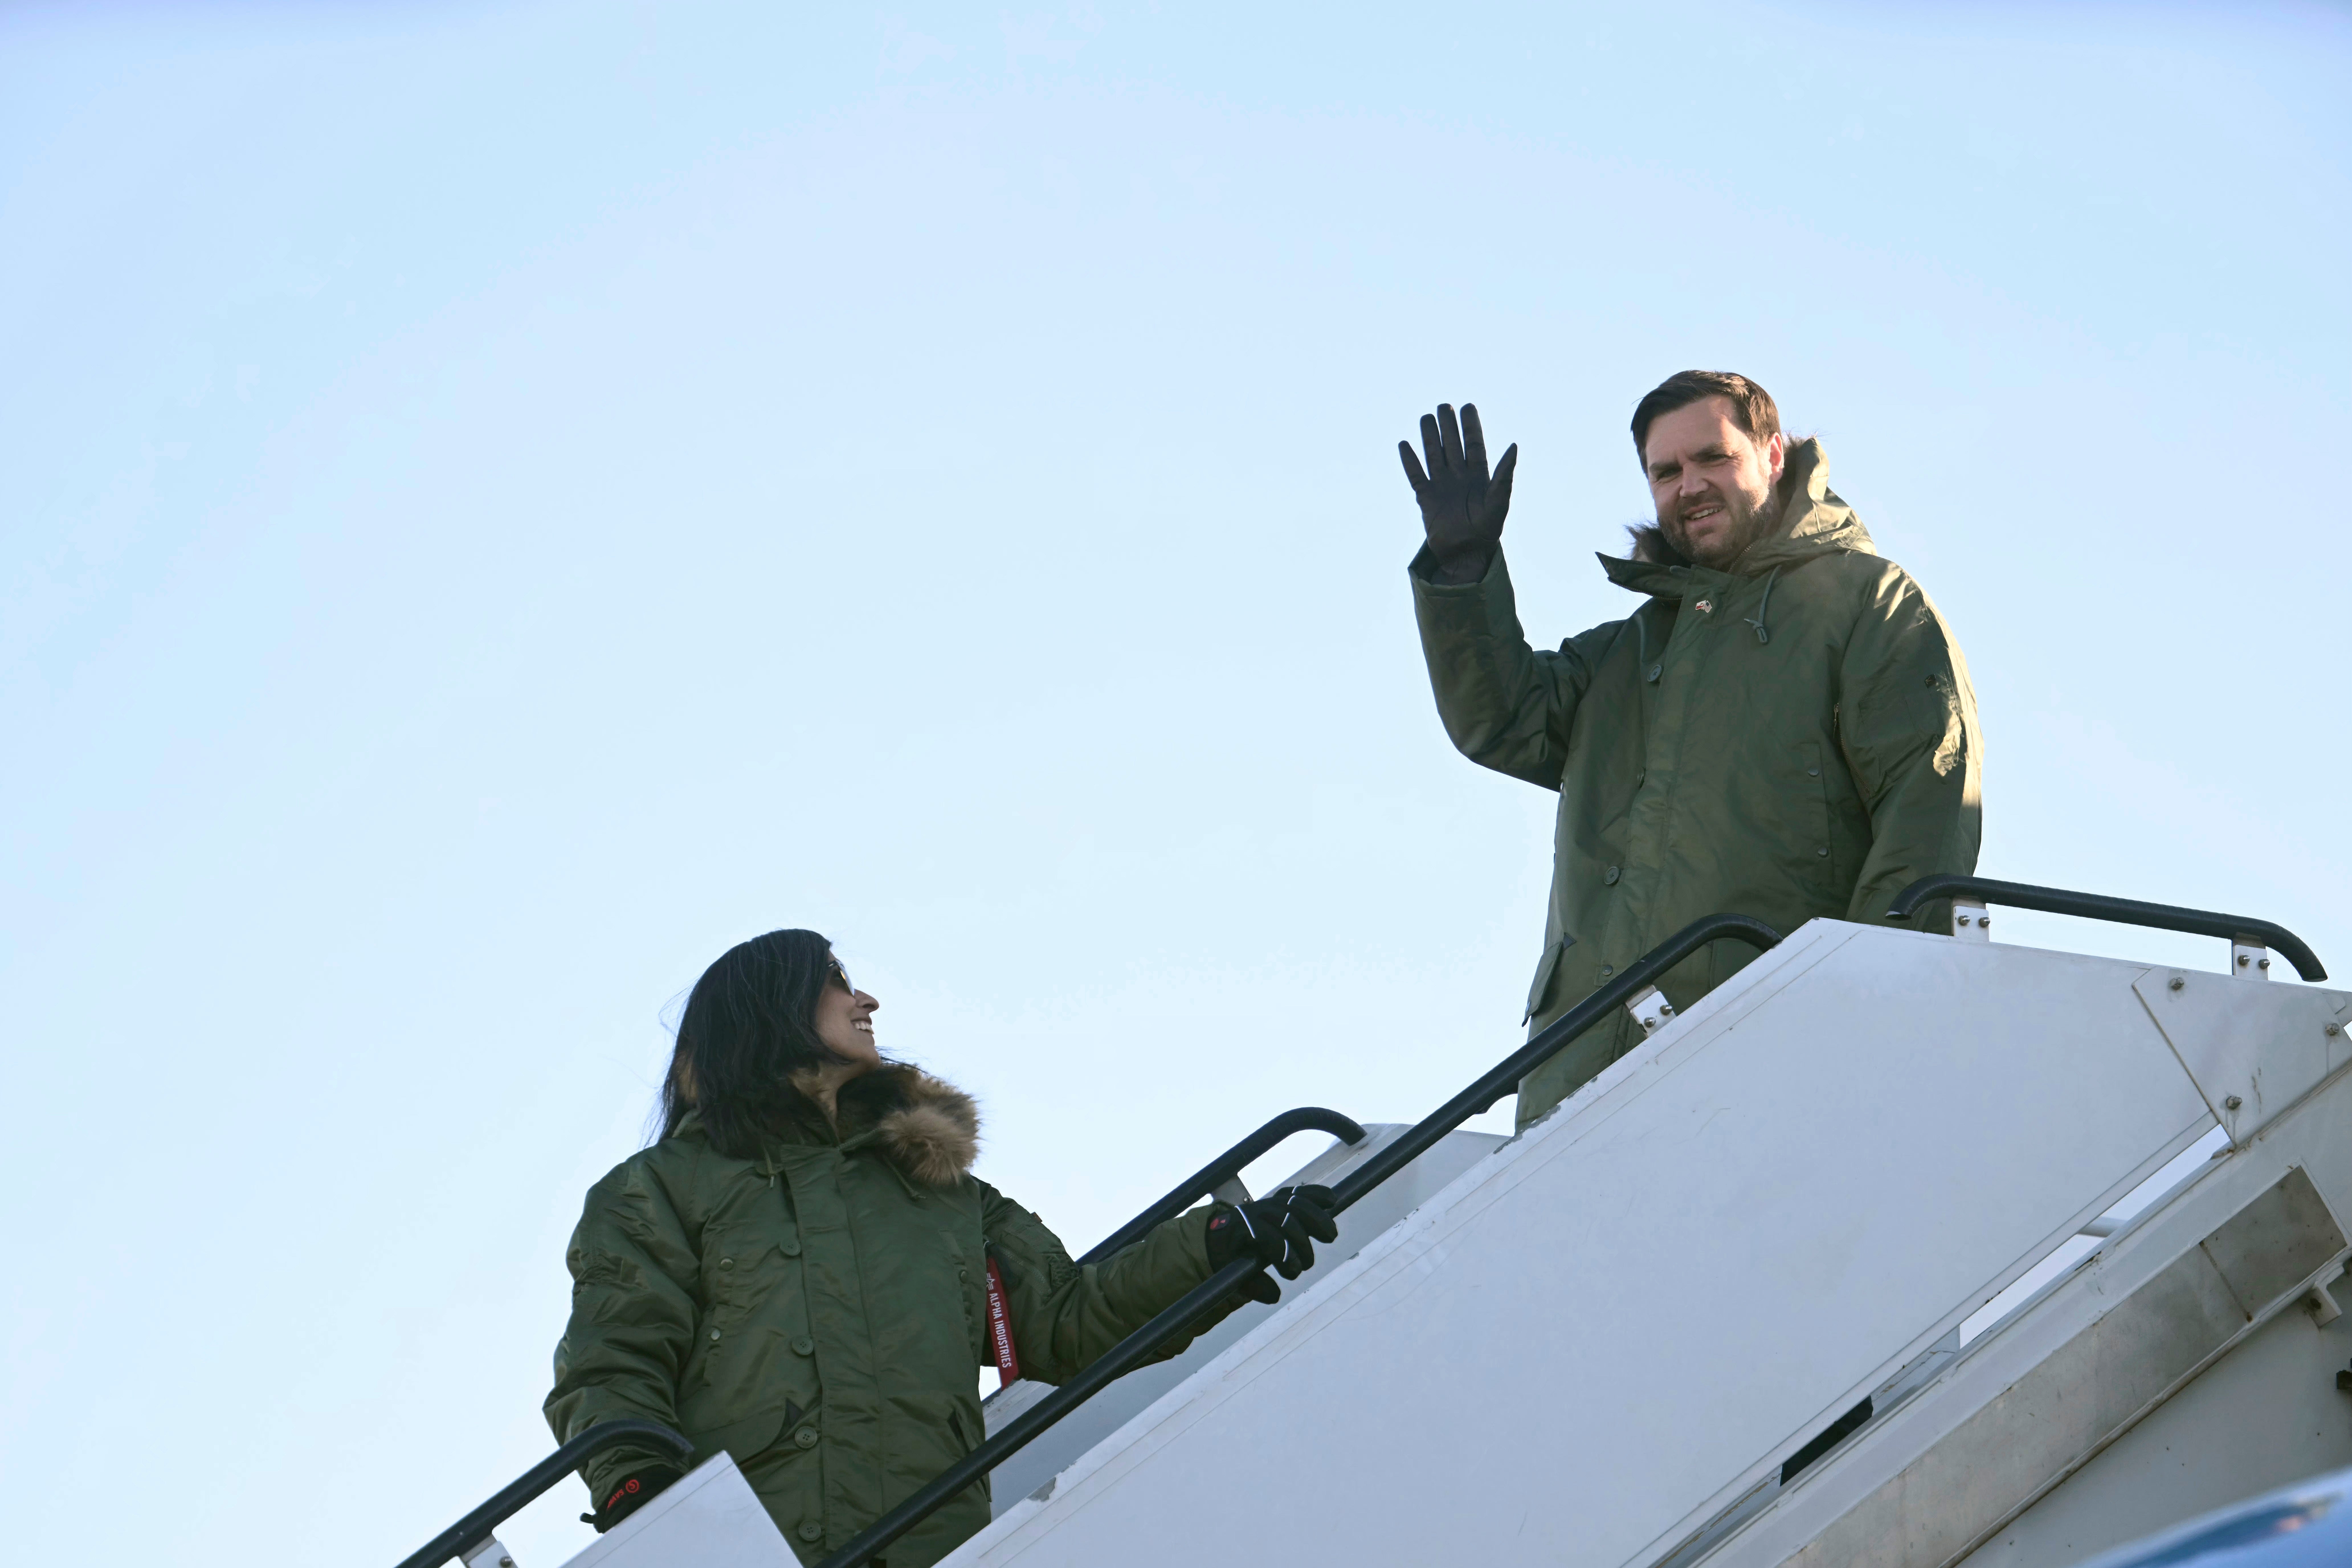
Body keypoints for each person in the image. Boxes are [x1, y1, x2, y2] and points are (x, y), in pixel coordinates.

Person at [544, 929, 1336, 1566]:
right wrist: (645, 1504)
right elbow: (615, 1362)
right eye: (836, 979)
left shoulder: (941, 1191)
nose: (866, 999)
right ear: (768, 1007)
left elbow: (1066, 1318)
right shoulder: (664, 1188)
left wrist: (1219, 1243)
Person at [1400, 371, 1981, 1129]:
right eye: (1666, 472)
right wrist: (1462, 572)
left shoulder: (1867, 607)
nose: (1690, 486)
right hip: (1577, 1079)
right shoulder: (1626, 653)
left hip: (1769, 1067)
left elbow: (1925, 819)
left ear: (1774, 455)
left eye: (1714, 457)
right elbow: (1504, 722)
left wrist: (1862, 1015)